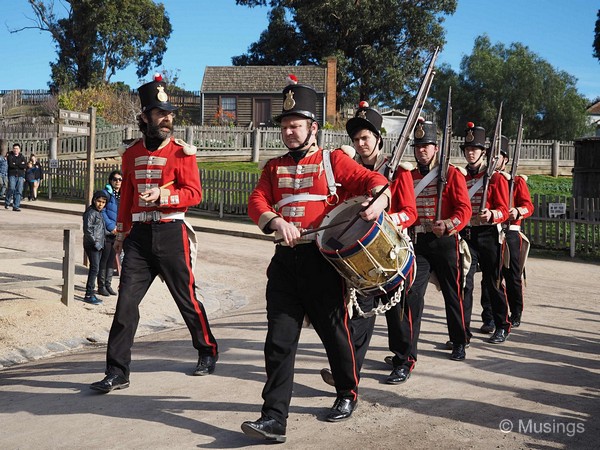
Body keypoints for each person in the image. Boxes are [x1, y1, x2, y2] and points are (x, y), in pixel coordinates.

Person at [242, 80, 391, 443]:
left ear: (313, 128)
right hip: (284, 263)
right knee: (278, 340)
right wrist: (275, 220)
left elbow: (373, 180)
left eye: (296, 125)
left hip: (322, 261)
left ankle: (347, 391)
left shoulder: (333, 159)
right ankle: (274, 417)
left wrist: (378, 201)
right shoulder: (273, 167)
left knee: (333, 333)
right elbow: (256, 202)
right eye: (285, 125)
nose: (289, 132)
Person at [90, 74, 218, 394]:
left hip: (172, 233)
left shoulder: (181, 152)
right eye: (160, 113)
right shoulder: (130, 154)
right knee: (125, 305)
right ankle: (117, 371)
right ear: (144, 117)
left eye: (170, 114)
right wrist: (120, 234)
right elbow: (127, 199)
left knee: (186, 298)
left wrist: (166, 197)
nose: (167, 119)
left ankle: (207, 350)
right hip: (139, 239)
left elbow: (195, 194)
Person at [319, 102, 417, 387]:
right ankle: (350, 372)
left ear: (378, 139)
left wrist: (384, 218)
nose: (360, 144)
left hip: (392, 249)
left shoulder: (398, 170)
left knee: (397, 314)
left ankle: (403, 360)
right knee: (359, 316)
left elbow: (410, 212)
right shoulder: (352, 172)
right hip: (362, 257)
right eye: (356, 139)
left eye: (365, 138)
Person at [404, 119, 472, 361]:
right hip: (419, 243)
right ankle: (407, 352)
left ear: (436, 148)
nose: (422, 150)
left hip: (445, 242)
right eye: (418, 146)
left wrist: (448, 224)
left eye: (427, 145)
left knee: (453, 294)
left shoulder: (451, 174)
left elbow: (464, 210)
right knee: (412, 294)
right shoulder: (409, 175)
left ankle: (459, 340)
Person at [459, 122, 511, 344]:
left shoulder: (496, 178)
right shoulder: (459, 177)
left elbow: (504, 211)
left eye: (475, 150)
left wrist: (491, 215)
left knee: (494, 281)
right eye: (468, 149)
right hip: (467, 234)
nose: (471, 153)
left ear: (483, 152)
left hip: (489, 234)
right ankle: (463, 331)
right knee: (465, 283)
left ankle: (502, 325)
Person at [480, 138, 533, 328]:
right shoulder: (485, 180)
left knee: (512, 276)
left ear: (506, 159)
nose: (493, 159)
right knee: (490, 277)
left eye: (498, 156)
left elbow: (528, 207)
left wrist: (517, 211)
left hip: (510, 232)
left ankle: (516, 312)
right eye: (490, 155)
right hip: (492, 231)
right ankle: (489, 316)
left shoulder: (516, 181)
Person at [97, 169, 122, 296]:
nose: (117, 182)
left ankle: (108, 284)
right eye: (115, 179)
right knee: (105, 259)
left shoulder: (123, 194)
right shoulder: (106, 194)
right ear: (110, 181)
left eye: (120, 179)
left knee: (112, 258)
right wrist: (111, 226)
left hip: (118, 232)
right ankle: (101, 286)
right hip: (108, 231)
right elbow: (103, 211)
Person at [82, 190, 108, 305]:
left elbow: (100, 229)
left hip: (99, 244)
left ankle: (91, 292)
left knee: (95, 268)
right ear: (94, 200)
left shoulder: (98, 213)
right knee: (94, 269)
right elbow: (88, 230)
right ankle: (89, 294)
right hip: (92, 245)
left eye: (103, 202)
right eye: (99, 201)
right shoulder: (91, 212)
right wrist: (96, 244)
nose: (101, 204)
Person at [6, 143, 27, 211]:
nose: (15, 150)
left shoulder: (22, 157)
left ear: (19, 149)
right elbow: (11, 165)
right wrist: (20, 164)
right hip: (12, 175)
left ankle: (16, 206)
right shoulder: (10, 156)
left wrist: (16, 164)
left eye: (17, 148)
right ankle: (7, 201)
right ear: (13, 149)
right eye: (14, 148)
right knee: (11, 188)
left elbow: (24, 166)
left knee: (19, 191)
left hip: (20, 176)